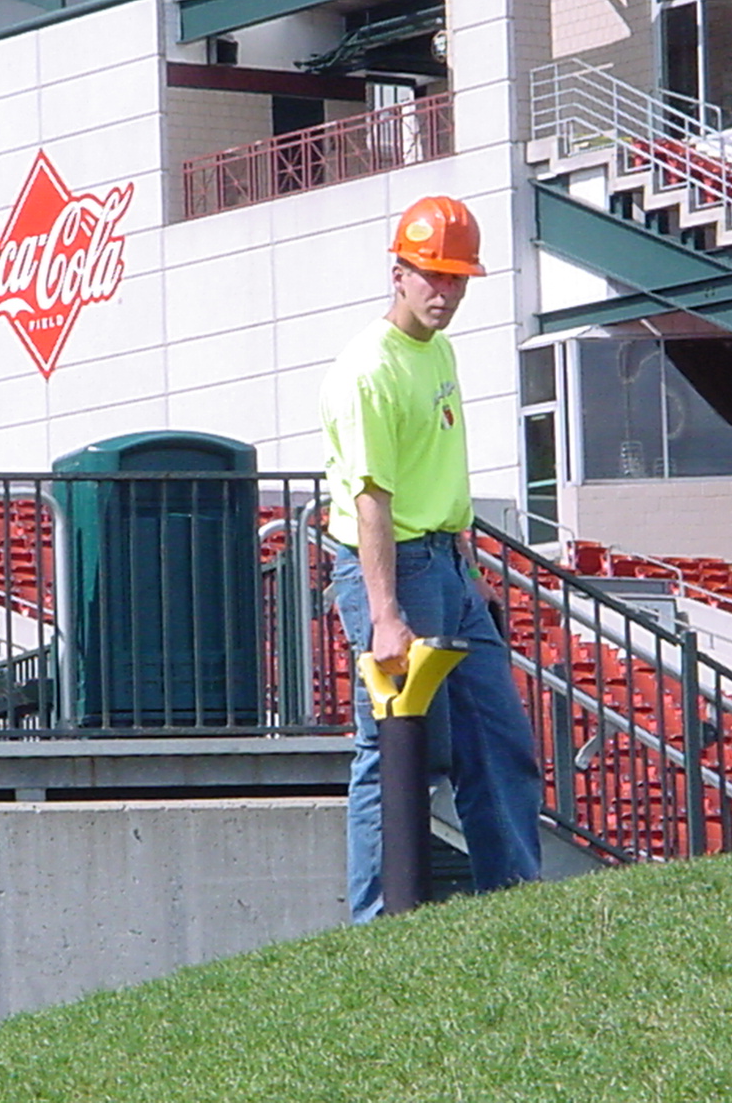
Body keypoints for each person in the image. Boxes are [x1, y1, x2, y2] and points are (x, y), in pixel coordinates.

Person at [319, 195, 543, 923]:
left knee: (499, 743)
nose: (444, 292)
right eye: (432, 276)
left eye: (457, 279)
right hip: (394, 569)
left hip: (446, 563)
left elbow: (437, 479)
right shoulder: (368, 371)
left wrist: (468, 573)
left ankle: (513, 904)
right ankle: (378, 923)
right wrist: (385, 616)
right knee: (395, 752)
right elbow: (371, 502)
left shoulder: (438, 350)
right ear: (398, 272)